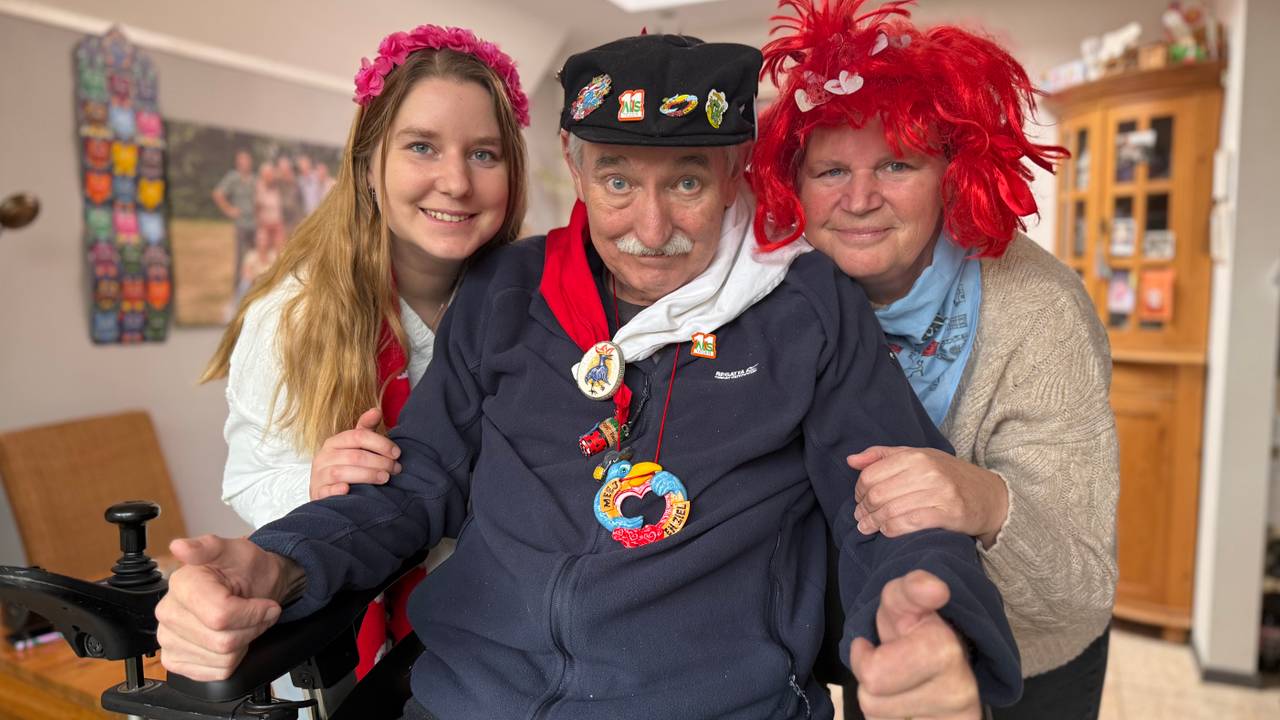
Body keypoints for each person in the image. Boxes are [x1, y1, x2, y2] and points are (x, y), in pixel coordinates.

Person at [161, 33, 1021, 720]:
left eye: (686, 181)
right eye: (617, 181)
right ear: (574, 167)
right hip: (464, 701)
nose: (651, 228)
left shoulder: (808, 302)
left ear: (734, 176)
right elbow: (412, 483)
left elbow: (897, 498)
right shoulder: (505, 289)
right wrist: (277, 561)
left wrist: (933, 616)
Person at [749, 2, 1120, 718]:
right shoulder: (780, 293)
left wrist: (983, 500)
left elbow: (1081, 579)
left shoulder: (1038, 309)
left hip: (1029, 647)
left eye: (897, 163)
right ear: (792, 184)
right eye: (830, 169)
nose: (859, 199)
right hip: (873, 636)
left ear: (953, 173)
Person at [199, 23, 529, 679]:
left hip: (497, 635)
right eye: (422, 147)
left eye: (485, 154)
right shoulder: (295, 317)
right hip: (348, 644)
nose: (456, 182)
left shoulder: (531, 308)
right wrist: (314, 479)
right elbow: (248, 477)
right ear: (368, 167)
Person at [211, 148, 257, 280]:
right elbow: (217, 193)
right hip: (242, 224)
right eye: (242, 161)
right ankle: (239, 289)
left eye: (247, 161)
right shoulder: (233, 177)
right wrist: (229, 210)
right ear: (238, 163)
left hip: (255, 224)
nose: (246, 163)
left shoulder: (254, 179)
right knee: (241, 257)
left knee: (254, 257)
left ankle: (253, 286)